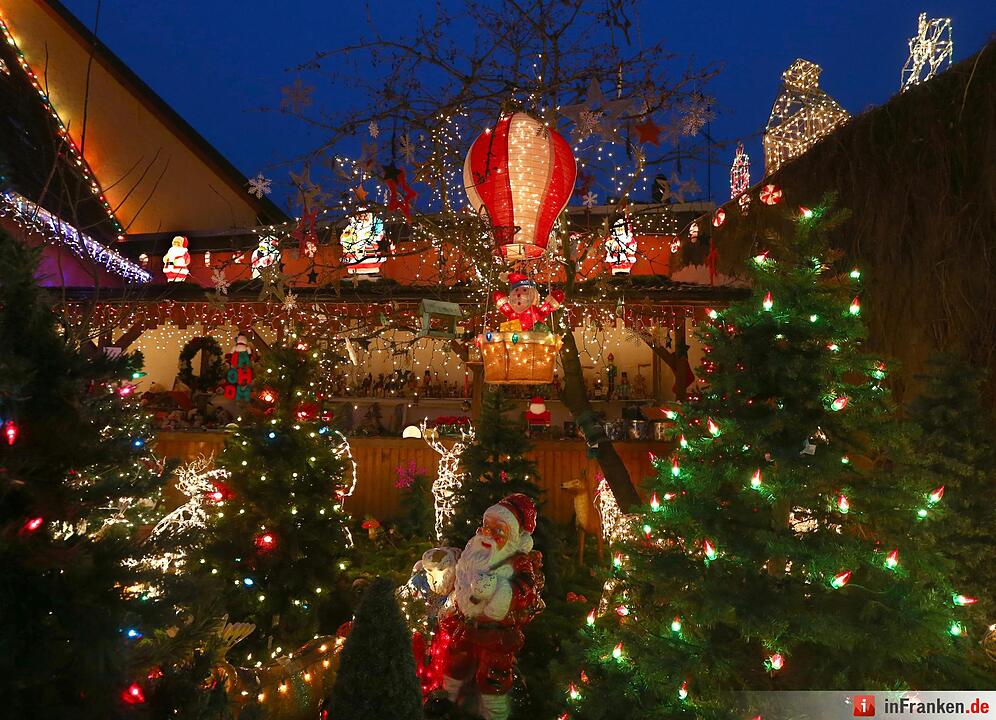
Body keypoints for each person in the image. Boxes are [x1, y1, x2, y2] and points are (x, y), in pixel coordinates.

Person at [440, 494, 545, 720]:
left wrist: (499, 588)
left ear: (514, 537)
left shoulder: (517, 560)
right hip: (466, 623)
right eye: (486, 526)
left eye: (498, 530)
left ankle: (495, 714)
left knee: (493, 675)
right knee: (456, 660)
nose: (487, 533)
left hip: (497, 631)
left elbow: (526, 589)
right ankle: (448, 700)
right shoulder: (474, 552)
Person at [492, 273, 563, 332]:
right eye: (516, 291)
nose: (519, 295)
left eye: (524, 290)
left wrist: (552, 301)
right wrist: (500, 299)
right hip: (513, 340)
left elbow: (545, 309)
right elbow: (504, 306)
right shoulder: (512, 312)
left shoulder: (533, 310)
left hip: (536, 338)